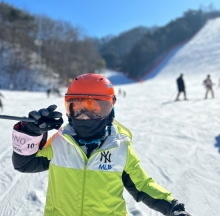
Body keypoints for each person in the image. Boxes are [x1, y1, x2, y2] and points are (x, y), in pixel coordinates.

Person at [12, 73, 191, 216]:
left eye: (96, 108)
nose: (84, 116)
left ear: (110, 108)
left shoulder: (120, 147)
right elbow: (24, 163)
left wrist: (172, 207)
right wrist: (31, 131)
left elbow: (142, 185)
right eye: (77, 107)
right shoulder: (60, 142)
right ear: (68, 108)